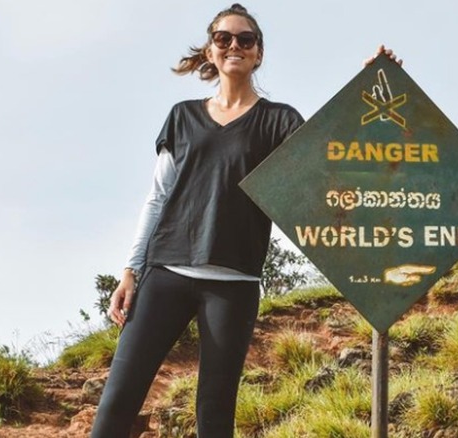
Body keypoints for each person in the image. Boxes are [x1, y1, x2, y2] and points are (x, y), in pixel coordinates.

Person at [90, 4, 401, 437]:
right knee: (115, 407)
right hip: (165, 272)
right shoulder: (183, 116)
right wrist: (130, 271)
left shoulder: (279, 121)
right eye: (224, 38)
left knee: (215, 417)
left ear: (258, 53)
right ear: (210, 51)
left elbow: (329, 166)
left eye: (245, 39)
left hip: (233, 283)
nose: (234, 45)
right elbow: (157, 198)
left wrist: (372, 91)